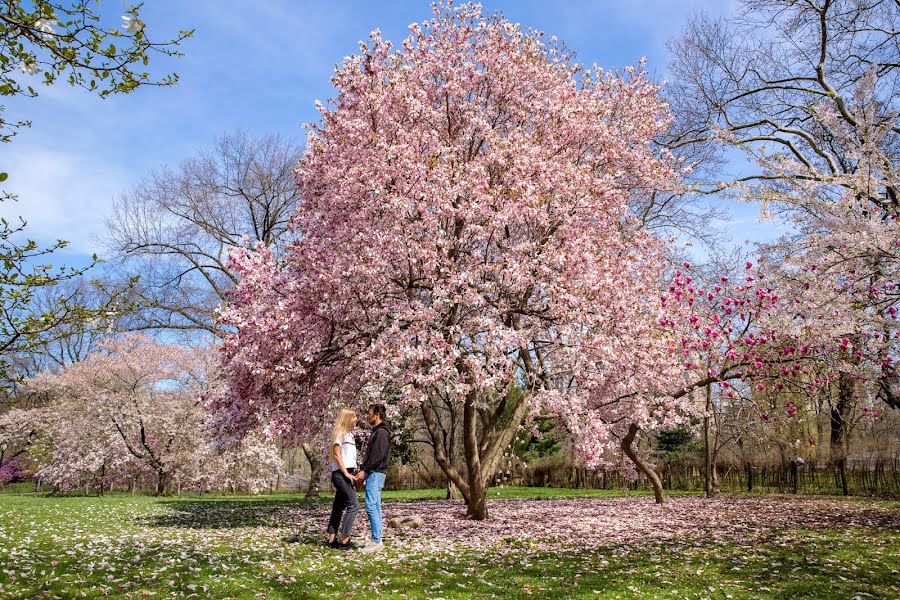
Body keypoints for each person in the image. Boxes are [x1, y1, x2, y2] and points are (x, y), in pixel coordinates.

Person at [354, 403, 391, 554]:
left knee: (371, 506)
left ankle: (376, 541)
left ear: (377, 415)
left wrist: (365, 471)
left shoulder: (381, 433)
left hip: (375, 473)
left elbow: (377, 456)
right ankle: (377, 539)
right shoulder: (377, 432)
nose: (367, 416)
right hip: (374, 473)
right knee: (375, 506)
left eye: (370, 413)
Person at [326, 408, 360, 550]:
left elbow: (349, 457)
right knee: (354, 505)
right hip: (340, 474)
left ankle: (331, 539)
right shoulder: (339, 434)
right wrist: (346, 473)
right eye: (354, 417)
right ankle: (344, 539)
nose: (356, 419)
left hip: (348, 472)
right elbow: (337, 455)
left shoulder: (350, 435)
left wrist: (354, 473)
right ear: (347, 418)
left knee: (338, 507)